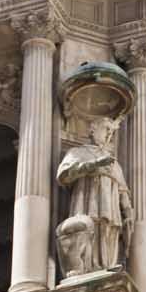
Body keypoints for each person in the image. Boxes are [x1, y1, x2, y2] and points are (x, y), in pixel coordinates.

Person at [55, 112, 134, 273]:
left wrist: (128, 213)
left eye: (111, 133)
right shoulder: (78, 152)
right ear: (93, 129)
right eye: (106, 130)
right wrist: (93, 164)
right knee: (89, 229)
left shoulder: (114, 163)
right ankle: (87, 267)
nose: (108, 135)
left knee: (107, 231)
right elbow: (63, 175)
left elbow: (122, 191)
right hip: (87, 203)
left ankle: (105, 266)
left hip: (110, 210)